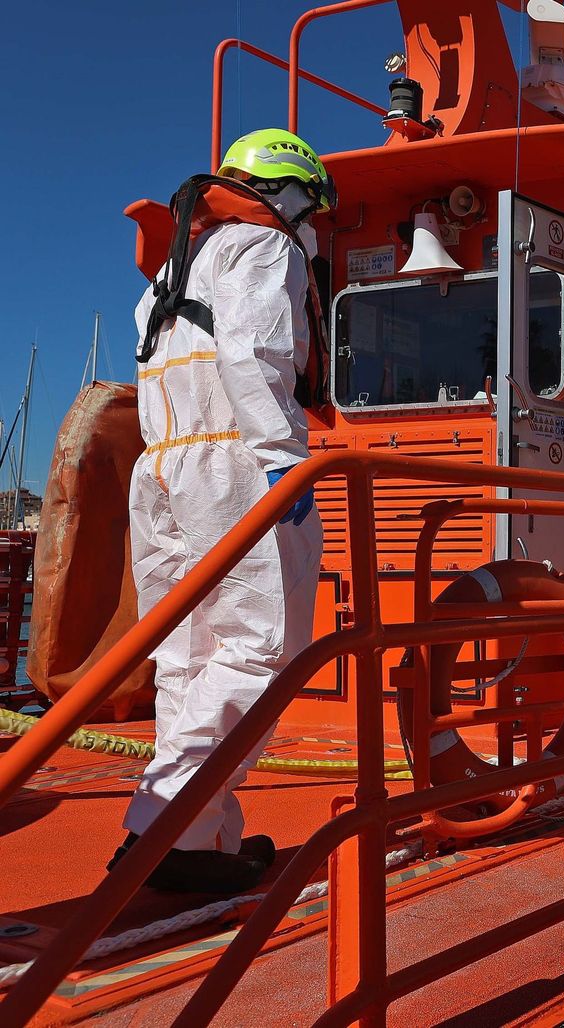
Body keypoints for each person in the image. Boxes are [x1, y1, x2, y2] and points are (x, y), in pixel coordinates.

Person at [110, 128, 335, 893]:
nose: (310, 224)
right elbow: (253, 353)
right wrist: (283, 461)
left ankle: (194, 837)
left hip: (162, 467)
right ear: (291, 192)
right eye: (310, 207)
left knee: (186, 657)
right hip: (234, 461)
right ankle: (166, 829)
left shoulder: (170, 272)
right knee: (261, 648)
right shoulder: (264, 247)